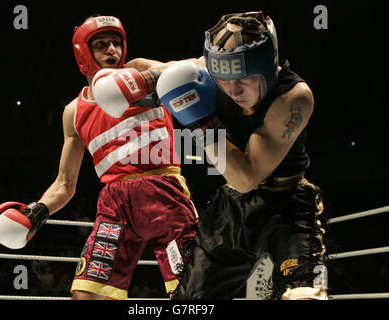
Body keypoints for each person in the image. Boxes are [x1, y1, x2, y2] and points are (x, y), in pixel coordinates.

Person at [0, 15, 198, 300]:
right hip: (115, 206)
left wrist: (147, 82)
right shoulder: (74, 112)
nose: (112, 50)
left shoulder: (138, 69)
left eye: (116, 42)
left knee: (193, 294)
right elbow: (65, 184)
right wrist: (36, 212)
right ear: (83, 54)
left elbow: (193, 68)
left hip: (163, 191)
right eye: (101, 45)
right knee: (87, 295)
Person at [129, 11, 329, 300]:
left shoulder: (294, 97)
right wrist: (128, 82)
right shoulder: (207, 71)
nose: (233, 89)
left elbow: (246, 176)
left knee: (306, 295)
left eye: (244, 79)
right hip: (231, 207)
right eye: (223, 78)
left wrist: (201, 122)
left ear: (267, 65)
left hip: (287, 205)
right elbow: (142, 69)